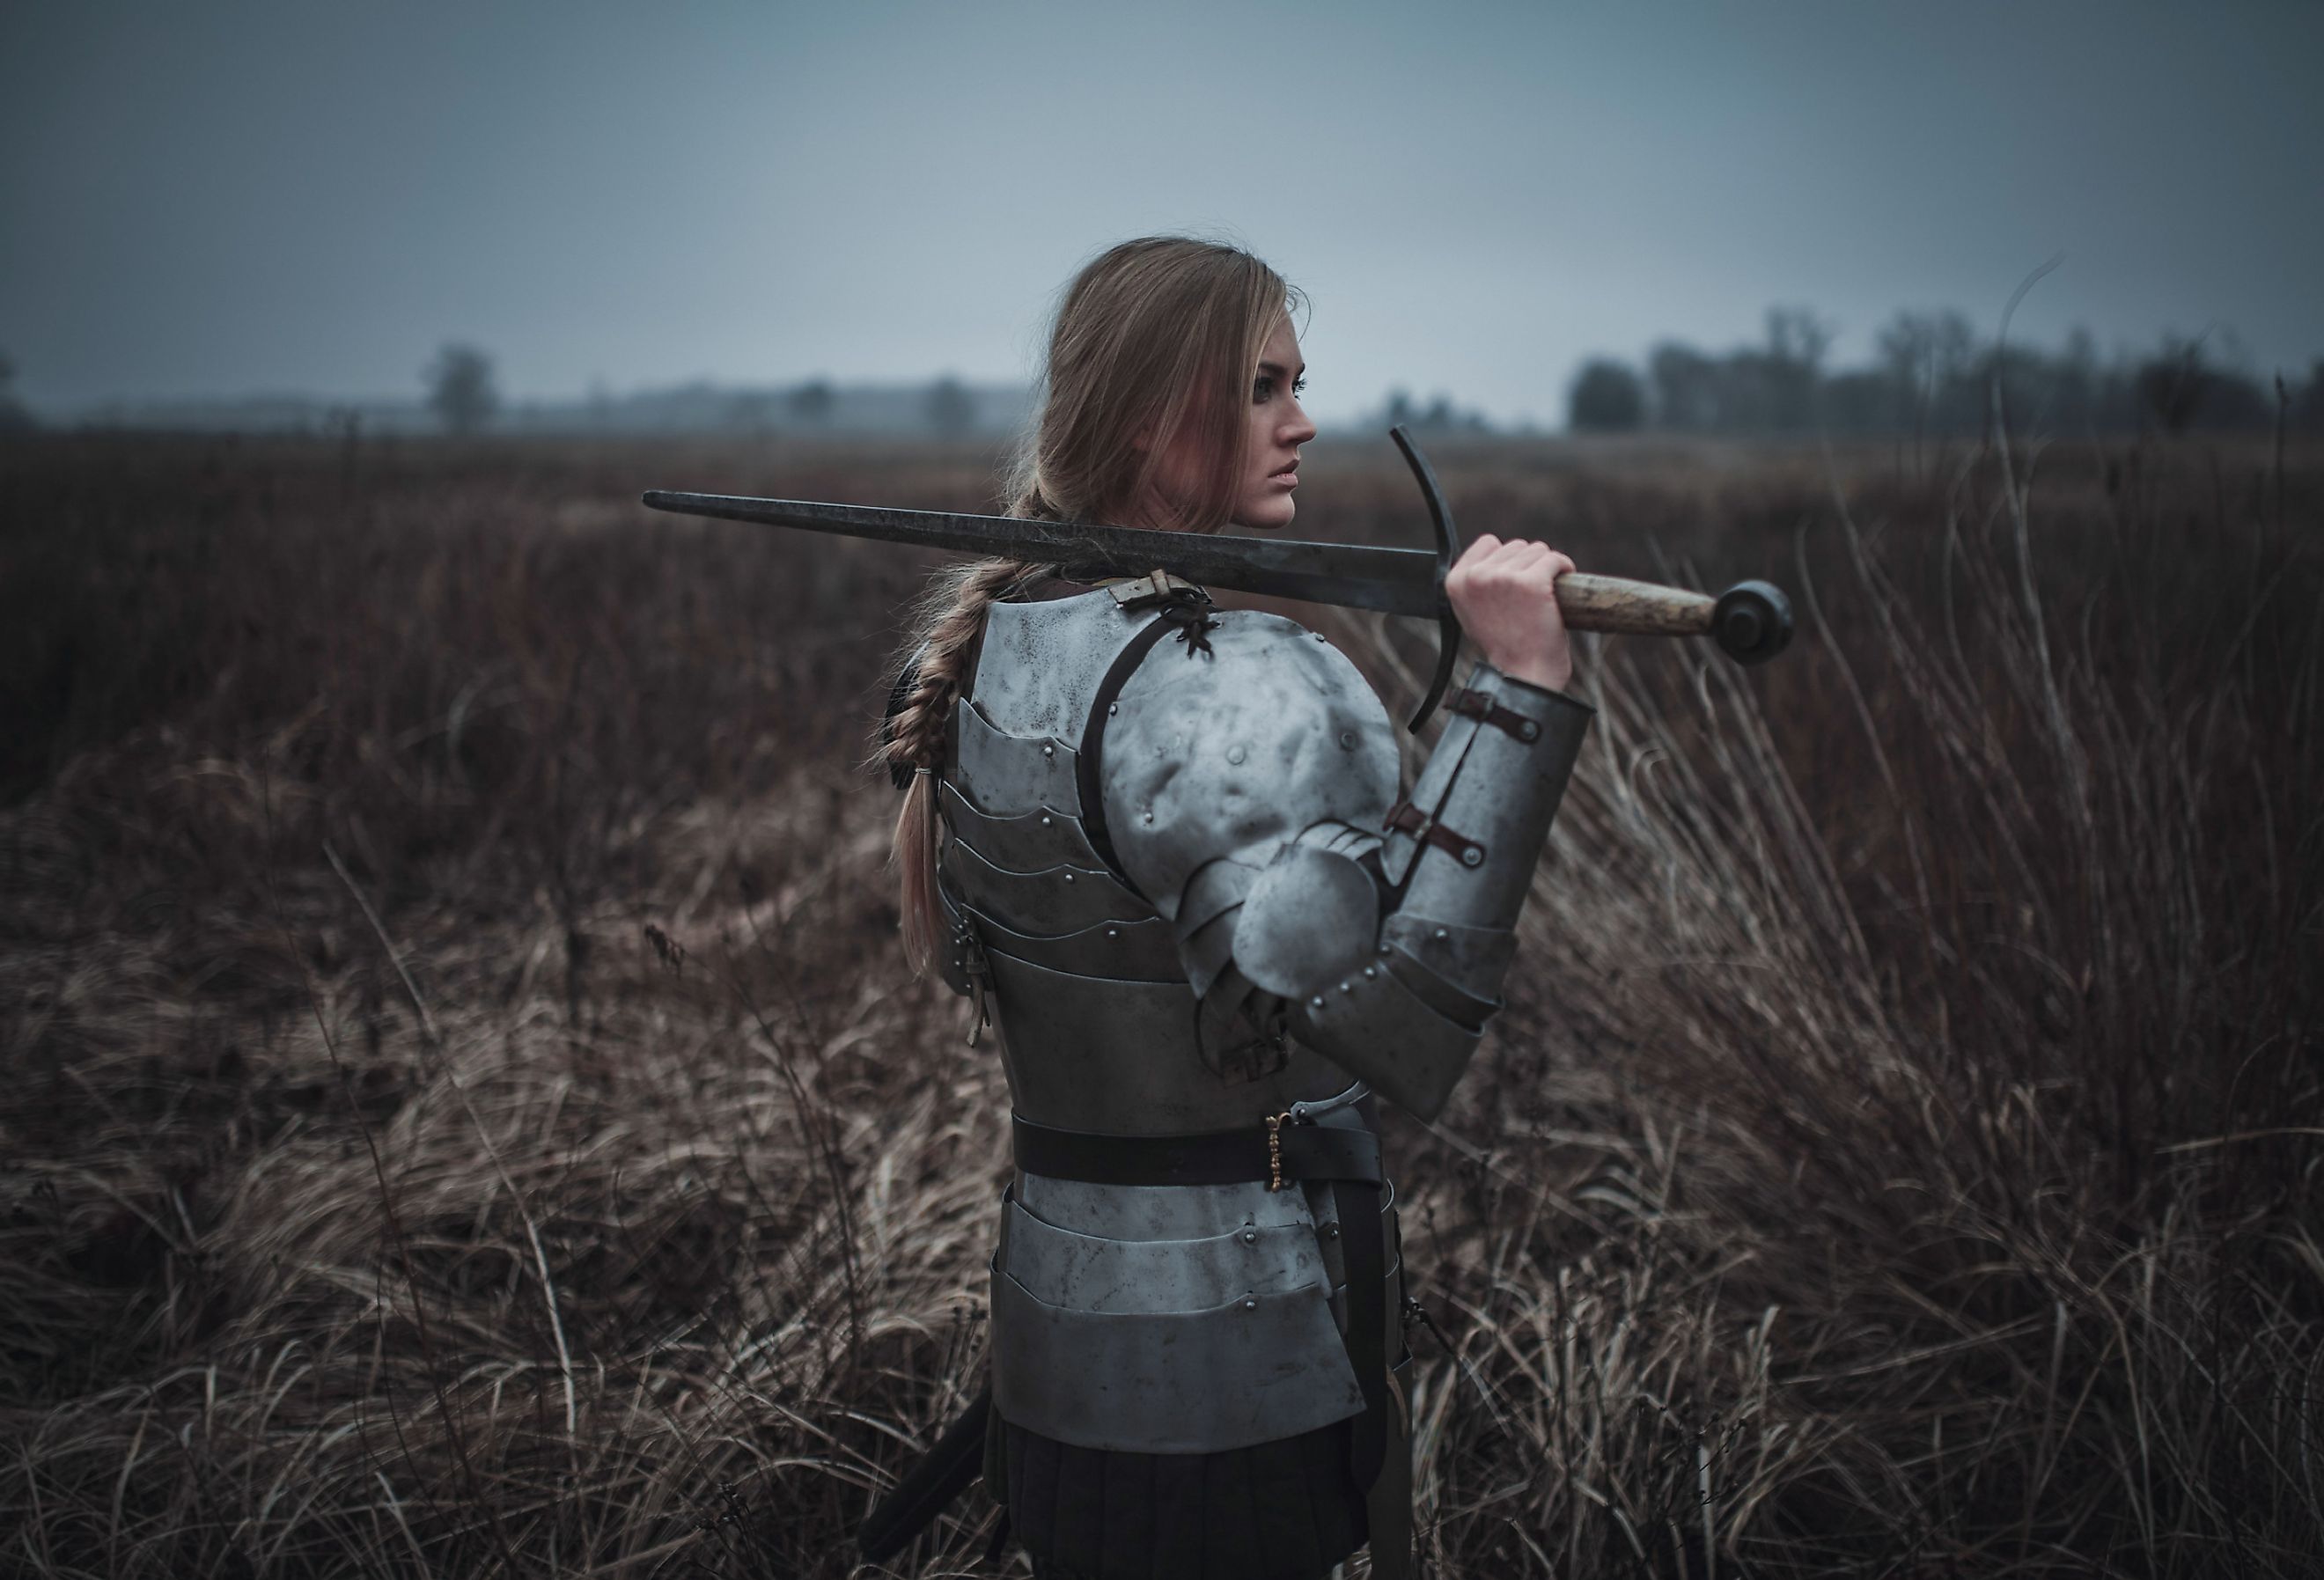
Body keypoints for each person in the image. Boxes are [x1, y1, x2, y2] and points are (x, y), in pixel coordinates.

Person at [874, 236, 1592, 1580]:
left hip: (1058, 1331)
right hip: (1237, 1365)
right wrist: (1521, 694)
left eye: (1298, 383)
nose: (1304, 421)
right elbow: (1404, 1032)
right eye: (1264, 386)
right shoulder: (1231, 682)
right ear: (1154, 412)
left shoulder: (989, 650)